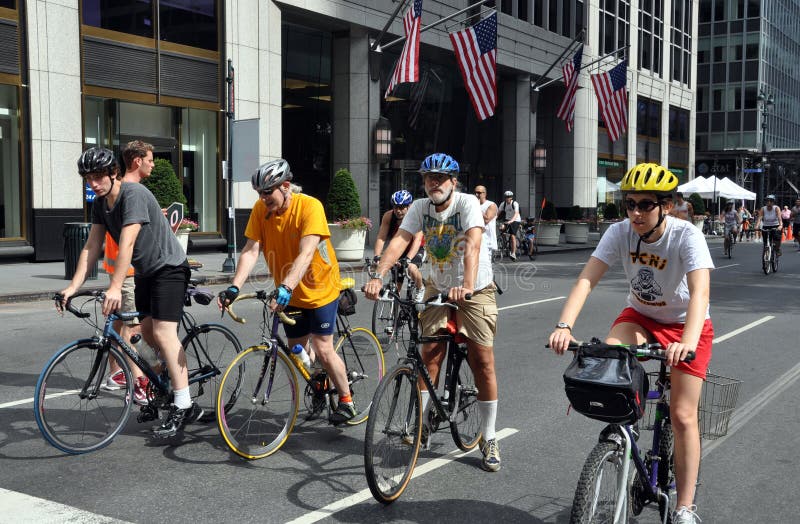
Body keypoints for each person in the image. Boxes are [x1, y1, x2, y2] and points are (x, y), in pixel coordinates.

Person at [547, 163, 714, 524]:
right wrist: (564, 325)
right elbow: (586, 280)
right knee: (611, 364)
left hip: (688, 325)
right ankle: (624, 438)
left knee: (684, 415)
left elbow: (700, 293)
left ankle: (685, 507)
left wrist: (685, 342)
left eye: (645, 205)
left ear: (666, 206)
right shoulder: (620, 232)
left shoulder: (686, 236)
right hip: (640, 317)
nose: (635, 213)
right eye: (630, 204)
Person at [363, 153, 501, 472]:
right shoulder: (420, 207)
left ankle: (490, 436)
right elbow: (400, 240)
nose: (434, 183)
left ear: (454, 182)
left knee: (482, 361)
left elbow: (472, 244)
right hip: (437, 286)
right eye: (428, 177)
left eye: (440, 178)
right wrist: (378, 274)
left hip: (474, 289)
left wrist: (466, 284)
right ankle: (422, 425)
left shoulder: (466, 204)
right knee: (430, 355)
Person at [58, 147, 197, 438]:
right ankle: (167, 379)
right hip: (147, 272)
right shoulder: (100, 204)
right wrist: (72, 286)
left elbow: (128, 243)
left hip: (170, 268)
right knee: (144, 334)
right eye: (88, 178)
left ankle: (184, 404)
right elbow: (92, 246)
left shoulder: (132, 195)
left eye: (98, 177)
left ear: (113, 173)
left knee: (162, 332)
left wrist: (114, 288)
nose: (93, 184)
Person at [216, 159, 356, 425]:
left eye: (267, 191)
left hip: (320, 289)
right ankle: (319, 379)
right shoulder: (261, 210)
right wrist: (234, 286)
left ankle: (347, 400)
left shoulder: (310, 207)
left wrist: (286, 286)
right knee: (297, 349)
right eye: (259, 193)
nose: (263, 197)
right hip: (290, 292)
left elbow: (306, 253)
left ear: (286, 186)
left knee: (324, 348)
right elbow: (251, 250)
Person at [100, 141, 155, 403]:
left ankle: (115, 374)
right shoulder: (130, 190)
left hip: (118, 269)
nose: (153, 164)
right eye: (150, 160)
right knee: (133, 327)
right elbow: (128, 238)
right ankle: (138, 380)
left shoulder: (126, 191)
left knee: (119, 323)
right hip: (130, 270)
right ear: (137, 161)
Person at [373, 190, 426, 302]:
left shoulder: (416, 216)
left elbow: (417, 241)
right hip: (399, 249)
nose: (398, 211)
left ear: (409, 206)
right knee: (396, 280)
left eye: (402, 207)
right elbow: (381, 237)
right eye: (396, 207)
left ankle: (421, 288)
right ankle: (396, 307)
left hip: (416, 248)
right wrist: (377, 256)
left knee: (411, 267)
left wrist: (408, 259)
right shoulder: (388, 216)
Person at [474, 185, 498, 255]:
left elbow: (486, 220)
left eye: (479, 193)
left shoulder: (491, 205)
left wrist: (476, 207)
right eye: (475, 192)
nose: (476, 195)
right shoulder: (474, 205)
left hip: (487, 241)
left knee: (484, 265)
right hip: (475, 239)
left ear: (485, 194)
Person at [498, 190, 521, 260]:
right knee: (501, 228)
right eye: (506, 197)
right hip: (507, 219)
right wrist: (492, 219)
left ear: (511, 197)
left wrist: (512, 220)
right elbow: (498, 213)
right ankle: (505, 243)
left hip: (516, 220)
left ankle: (513, 253)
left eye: (509, 197)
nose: (507, 198)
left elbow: (516, 213)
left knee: (512, 235)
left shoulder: (515, 203)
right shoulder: (503, 204)